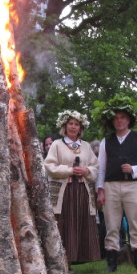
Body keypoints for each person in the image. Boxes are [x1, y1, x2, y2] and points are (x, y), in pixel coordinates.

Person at [96, 101, 137, 272]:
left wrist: (133, 169)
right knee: (111, 225)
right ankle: (111, 264)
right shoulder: (106, 141)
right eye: (116, 118)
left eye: (123, 118)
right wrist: (100, 189)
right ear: (112, 122)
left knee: (135, 224)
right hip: (111, 186)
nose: (119, 121)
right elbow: (102, 168)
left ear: (129, 120)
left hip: (134, 186)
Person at [44, 110, 101, 265]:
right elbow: (49, 166)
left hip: (82, 191)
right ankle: (63, 260)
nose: (73, 127)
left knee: (81, 221)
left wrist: (86, 170)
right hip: (65, 191)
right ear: (65, 126)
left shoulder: (86, 146)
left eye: (76, 124)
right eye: (71, 123)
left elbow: (95, 166)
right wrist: (69, 170)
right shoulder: (57, 145)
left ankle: (80, 257)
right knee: (65, 222)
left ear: (80, 128)